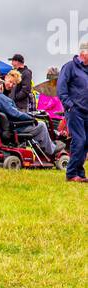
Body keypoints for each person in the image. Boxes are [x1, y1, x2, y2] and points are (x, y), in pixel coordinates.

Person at [0, 78, 56, 158]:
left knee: (36, 125)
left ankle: (42, 150)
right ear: (1, 87)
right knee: (41, 125)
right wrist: (30, 117)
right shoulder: (2, 99)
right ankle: (51, 151)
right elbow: (15, 114)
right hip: (12, 129)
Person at [57, 43, 88, 183]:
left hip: (87, 112)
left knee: (85, 143)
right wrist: (69, 105)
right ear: (84, 53)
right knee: (79, 141)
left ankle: (80, 173)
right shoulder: (70, 66)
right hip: (75, 111)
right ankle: (71, 174)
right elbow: (61, 88)